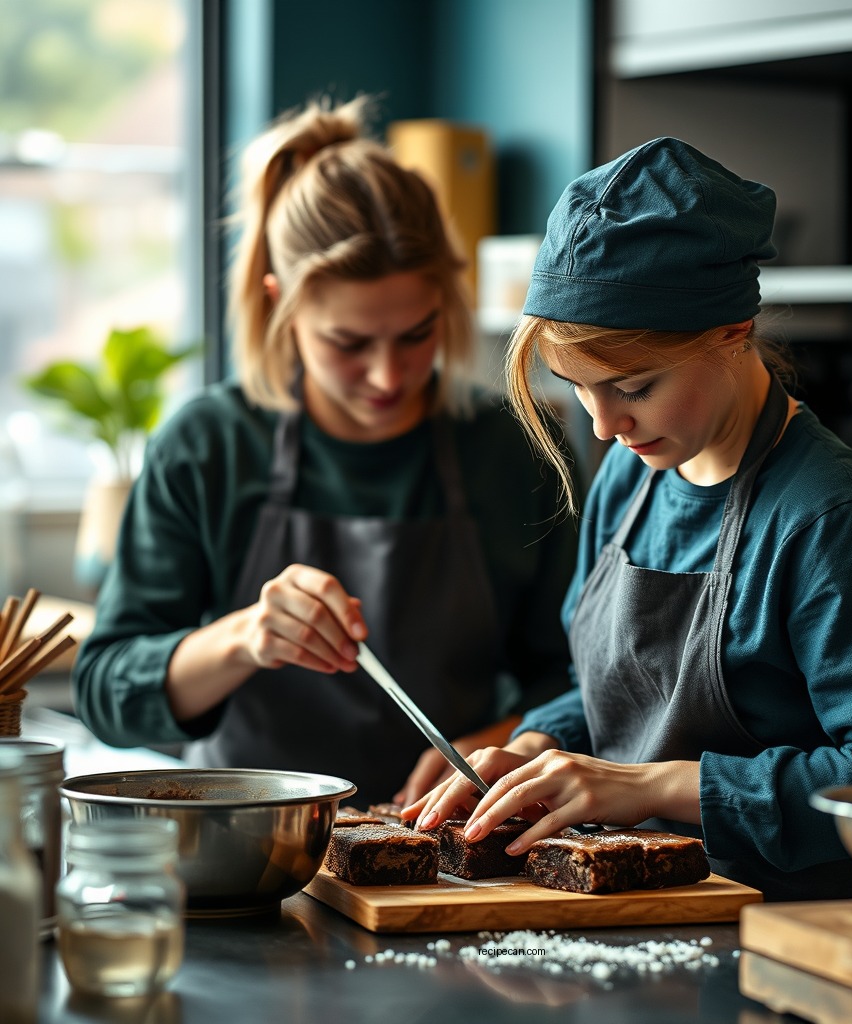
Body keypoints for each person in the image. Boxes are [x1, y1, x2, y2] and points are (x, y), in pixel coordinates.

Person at [408, 137, 852, 900]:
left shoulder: (831, 520)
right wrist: (539, 744)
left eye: (633, 386)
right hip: (634, 921)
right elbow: (611, 690)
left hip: (781, 937)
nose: (604, 428)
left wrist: (658, 788)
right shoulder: (631, 481)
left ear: (732, 331)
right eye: (580, 388)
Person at [72, 97, 579, 807]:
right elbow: (105, 692)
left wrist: (506, 740)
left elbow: (584, 680)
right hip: (241, 846)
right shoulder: (209, 445)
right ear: (280, 303)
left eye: (416, 333)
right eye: (348, 344)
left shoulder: (517, 448)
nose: (387, 376)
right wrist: (245, 636)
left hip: (449, 842)